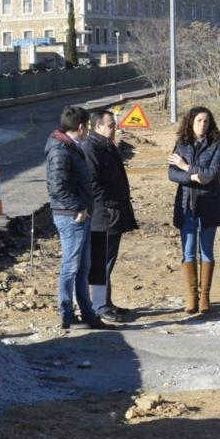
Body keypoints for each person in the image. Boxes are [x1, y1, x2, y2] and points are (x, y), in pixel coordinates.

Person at [45, 105, 109, 330]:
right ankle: (67, 315)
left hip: (79, 214)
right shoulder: (61, 150)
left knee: (83, 267)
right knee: (71, 267)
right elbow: (56, 186)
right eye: (88, 127)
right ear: (81, 127)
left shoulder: (70, 146)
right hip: (71, 216)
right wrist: (78, 207)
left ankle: (87, 313)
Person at [167, 106, 220, 314]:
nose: (203, 124)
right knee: (188, 250)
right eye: (199, 120)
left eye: (206, 121)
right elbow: (171, 173)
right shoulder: (181, 144)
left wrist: (186, 168)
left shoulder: (217, 143)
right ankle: (192, 296)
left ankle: (205, 297)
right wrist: (191, 177)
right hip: (187, 205)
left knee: (207, 251)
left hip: (210, 203)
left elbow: (211, 173)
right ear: (191, 122)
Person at [84, 109, 138, 321]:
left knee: (107, 261)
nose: (114, 128)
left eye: (114, 124)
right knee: (100, 262)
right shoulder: (92, 148)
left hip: (112, 213)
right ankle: (98, 306)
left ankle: (105, 302)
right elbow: (93, 183)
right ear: (97, 127)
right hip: (101, 215)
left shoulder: (106, 146)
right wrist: (109, 205)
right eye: (110, 125)